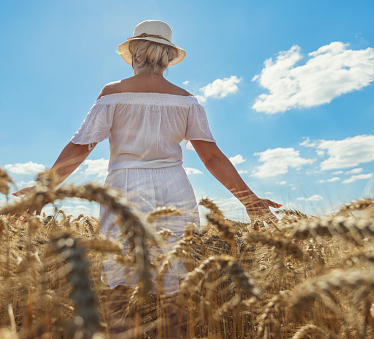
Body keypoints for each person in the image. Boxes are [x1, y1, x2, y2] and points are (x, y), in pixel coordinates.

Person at [14, 19, 280, 336]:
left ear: (135, 55)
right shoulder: (186, 100)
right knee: (178, 279)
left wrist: (44, 188)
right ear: (167, 58)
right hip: (176, 188)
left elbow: (81, 146)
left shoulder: (112, 93)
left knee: (120, 279)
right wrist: (250, 201)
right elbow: (211, 157)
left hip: (123, 190)